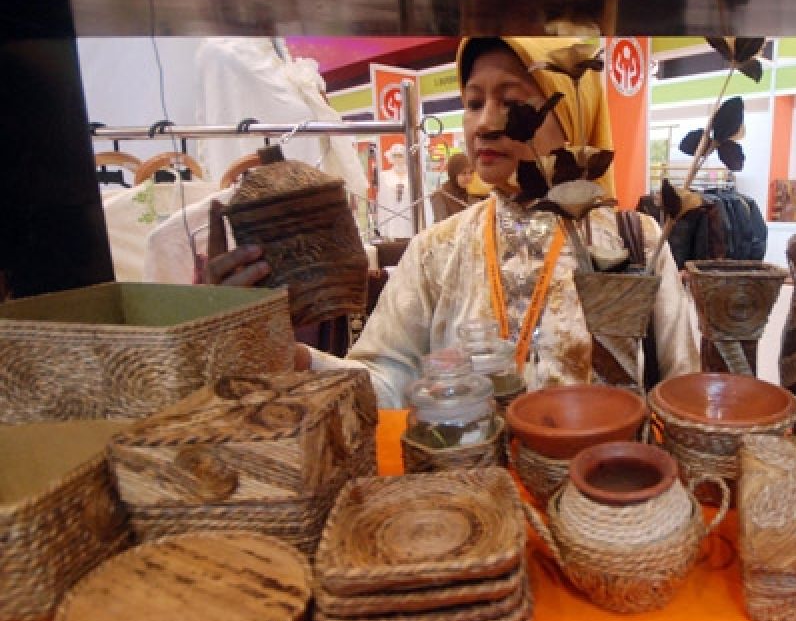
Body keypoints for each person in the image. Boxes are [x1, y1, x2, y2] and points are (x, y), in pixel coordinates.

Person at [208, 37, 699, 408]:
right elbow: (386, 387)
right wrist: (278, 347)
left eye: (512, 100)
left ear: (571, 111)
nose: (485, 122)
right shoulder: (437, 249)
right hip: (470, 507)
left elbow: (682, 392)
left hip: (607, 508)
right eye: (472, 102)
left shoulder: (636, 242)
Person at [428, 152, 475, 223]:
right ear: (453, 174)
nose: (468, 177)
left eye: (471, 173)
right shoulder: (440, 195)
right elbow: (443, 225)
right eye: (463, 173)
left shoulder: (473, 192)